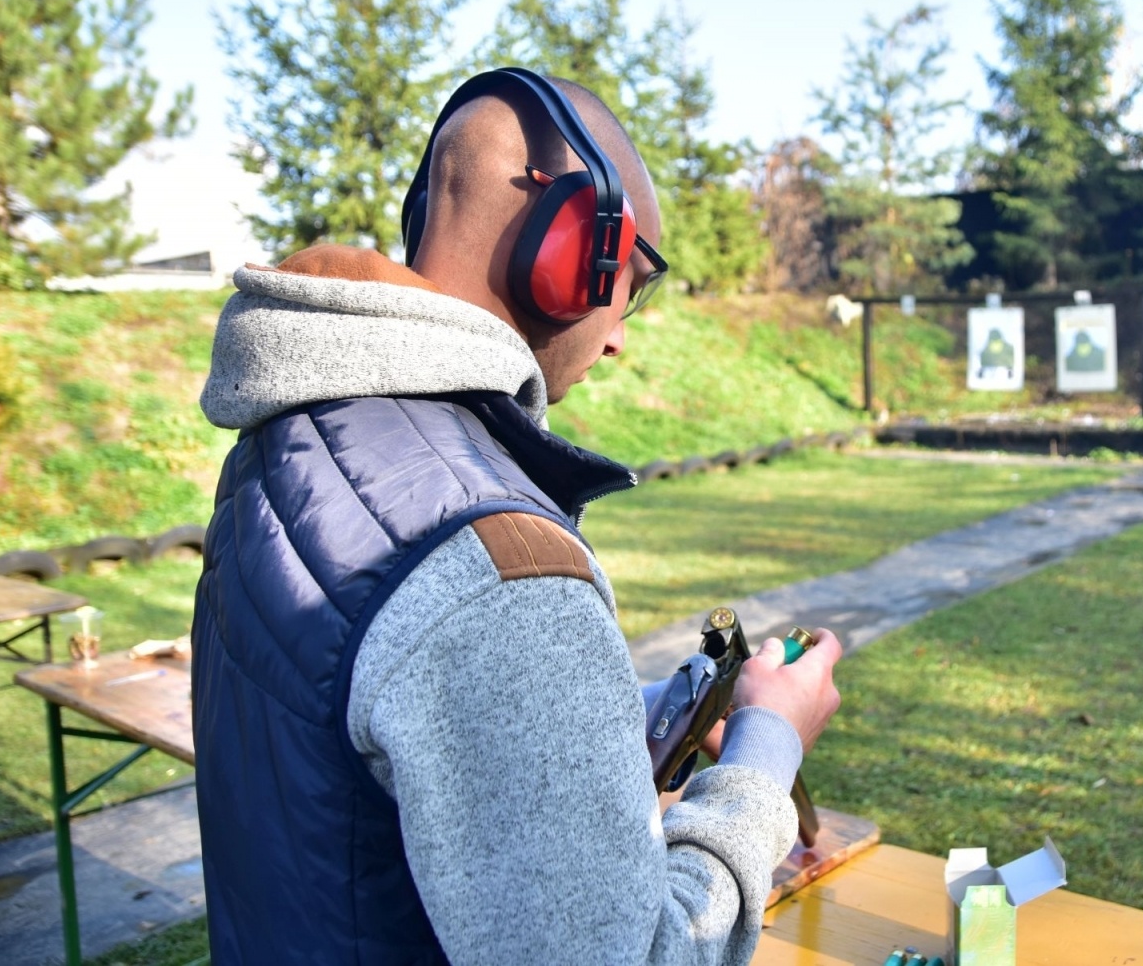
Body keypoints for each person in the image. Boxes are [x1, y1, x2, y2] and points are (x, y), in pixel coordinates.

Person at [190, 69, 843, 965]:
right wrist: (767, 749)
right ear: (574, 249)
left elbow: (367, 745)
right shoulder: (501, 569)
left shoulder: (288, 446)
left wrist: (613, 717)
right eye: (630, 285)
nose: (619, 336)